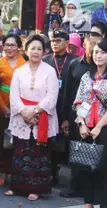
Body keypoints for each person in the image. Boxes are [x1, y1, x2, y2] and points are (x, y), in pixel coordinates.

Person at [4, 34, 59, 201]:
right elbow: (13, 96)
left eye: (39, 49)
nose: (36, 52)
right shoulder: (19, 72)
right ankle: (17, 186)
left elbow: (52, 96)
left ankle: (36, 188)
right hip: (22, 118)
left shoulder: (50, 71)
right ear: (26, 50)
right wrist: (24, 113)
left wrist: (34, 111)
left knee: (39, 154)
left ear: (44, 52)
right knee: (20, 152)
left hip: (41, 117)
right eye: (32, 48)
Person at [60, 36, 101, 198]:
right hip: (77, 115)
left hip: (98, 117)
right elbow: (67, 93)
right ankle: (75, 186)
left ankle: (92, 188)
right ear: (84, 45)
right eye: (90, 45)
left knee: (96, 152)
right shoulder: (75, 64)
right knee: (77, 150)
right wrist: (64, 118)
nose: (93, 49)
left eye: (97, 46)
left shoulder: (100, 67)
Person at [73, 38, 107, 208]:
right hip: (87, 126)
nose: (98, 55)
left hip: (104, 128)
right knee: (86, 166)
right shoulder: (87, 76)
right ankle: (88, 202)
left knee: (102, 170)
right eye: (96, 52)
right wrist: (82, 124)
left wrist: (100, 126)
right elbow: (80, 102)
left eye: (102, 52)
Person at [42, 29, 78, 185]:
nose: (54, 43)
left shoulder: (75, 61)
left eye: (58, 41)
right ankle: (49, 172)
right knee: (47, 141)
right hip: (48, 107)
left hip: (67, 107)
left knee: (64, 143)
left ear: (67, 43)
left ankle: (70, 177)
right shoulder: (45, 60)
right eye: (53, 41)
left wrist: (67, 118)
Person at [0, 34, 26, 187]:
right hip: (2, 107)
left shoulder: (24, 63)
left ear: (19, 47)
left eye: (13, 45)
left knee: (18, 141)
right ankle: (3, 172)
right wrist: (4, 107)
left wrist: (18, 106)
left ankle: (18, 172)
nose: (9, 48)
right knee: (2, 141)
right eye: (7, 45)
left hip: (20, 108)